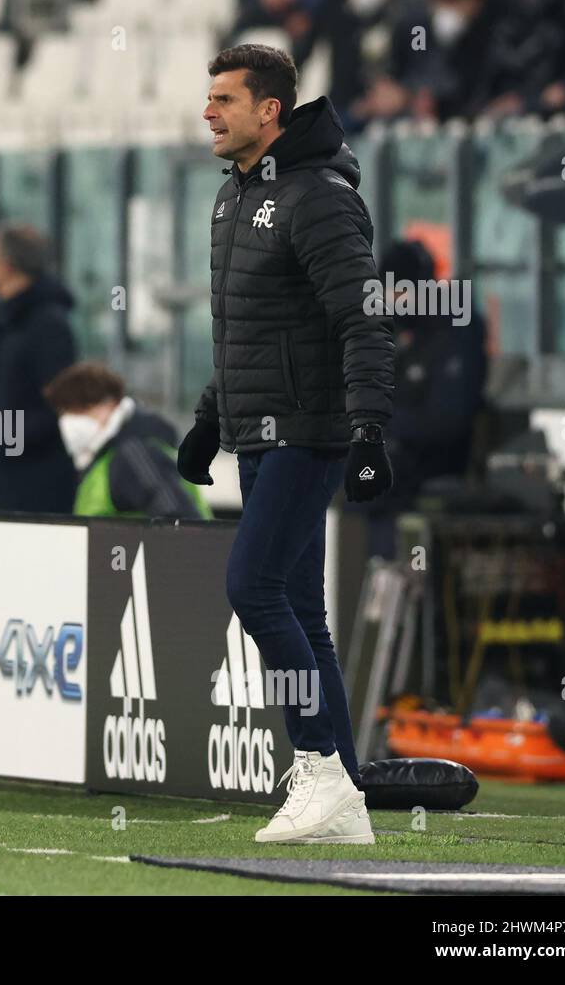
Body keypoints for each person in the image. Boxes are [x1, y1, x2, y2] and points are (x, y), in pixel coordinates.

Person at [178, 44, 394, 844]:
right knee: (301, 605)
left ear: (269, 110)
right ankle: (342, 802)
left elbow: (361, 319)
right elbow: (247, 327)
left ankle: (320, 766)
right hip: (260, 429)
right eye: (208, 97)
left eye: (224, 99)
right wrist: (210, 417)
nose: (209, 112)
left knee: (253, 587)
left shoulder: (319, 196)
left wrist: (369, 427)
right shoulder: (234, 198)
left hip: (311, 428)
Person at [360, 240, 486, 557]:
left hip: (431, 468)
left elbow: (447, 421)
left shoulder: (454, 330)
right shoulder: (400, 330)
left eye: (398, 292)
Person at [0, 222, 78, 514]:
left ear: (5, 267)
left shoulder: (47, 324)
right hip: (2, 477)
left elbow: (60, 402)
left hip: (33, 484)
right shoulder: (8, 322)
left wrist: (4, 439)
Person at [43, 361, 212, 520]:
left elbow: (179, 521)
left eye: (78, 410)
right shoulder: (107, 456)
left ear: (107, 404)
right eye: (64, 412)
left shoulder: (133, 453)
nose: (68, 421)